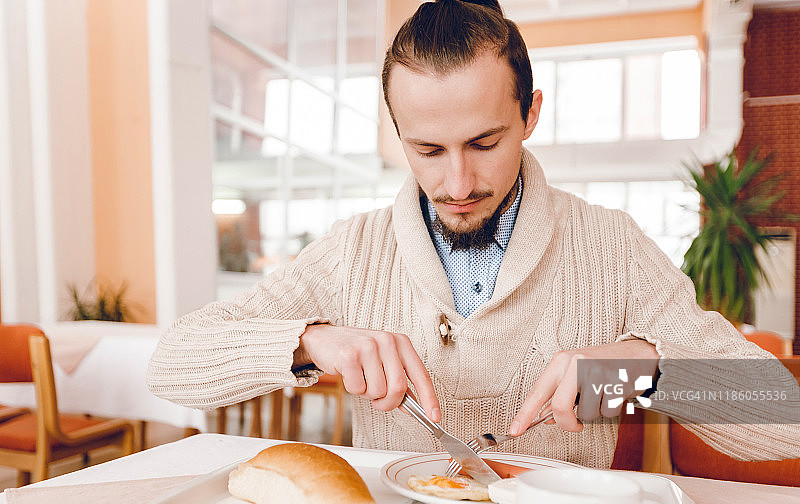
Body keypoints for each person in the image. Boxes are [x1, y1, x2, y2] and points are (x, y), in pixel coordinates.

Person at [148, 0, 800, 467]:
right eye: (427, 149)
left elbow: (785, 419)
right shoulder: (353, 253)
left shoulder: (612, 248)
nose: (457, 181)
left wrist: (642, 375)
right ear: (396, 134)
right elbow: (171, 364)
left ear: (530, 113)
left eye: (484, 143)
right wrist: (309, 341)